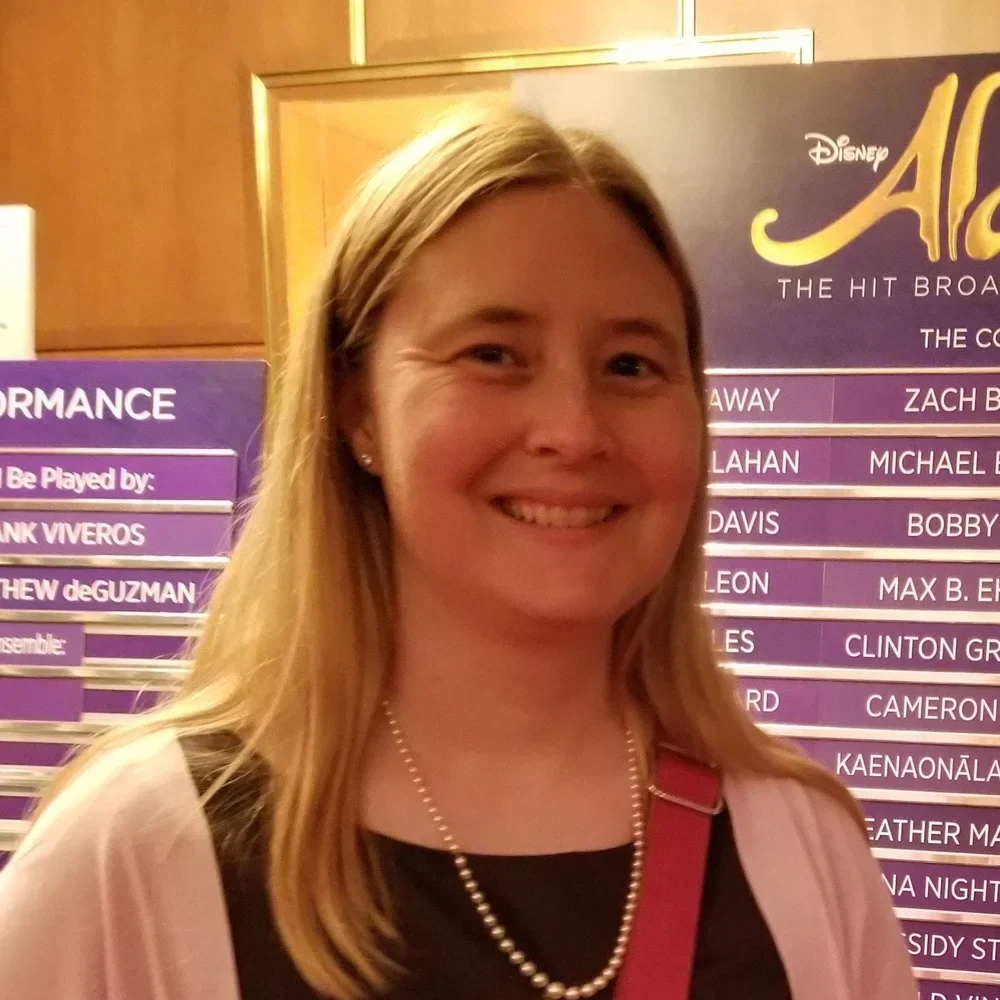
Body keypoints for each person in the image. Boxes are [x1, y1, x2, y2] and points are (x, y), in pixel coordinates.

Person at [0, 105, 915, 999]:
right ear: (356, 407)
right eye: (492, 353)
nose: (572, 428)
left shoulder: (803, 845)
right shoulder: (135, 853)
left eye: (630, 366)